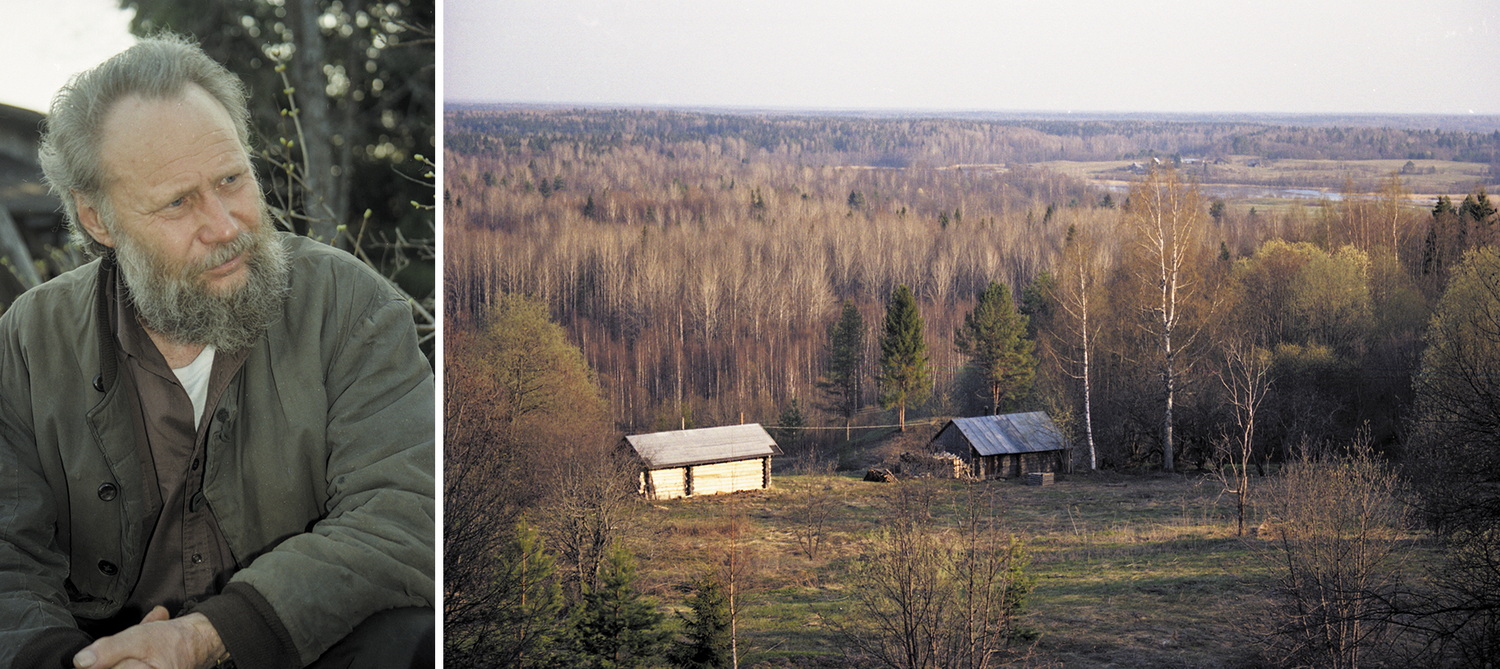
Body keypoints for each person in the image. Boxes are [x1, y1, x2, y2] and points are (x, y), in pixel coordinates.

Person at [0, 34, 435, 668]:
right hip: (97, 654)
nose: (226, 225)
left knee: (412, 639)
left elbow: (404, 512)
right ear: (99, 220)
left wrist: (208, 635)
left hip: (294, 650)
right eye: (178, 202)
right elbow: (7, 553)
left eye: (232, 179)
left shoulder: (349, 307)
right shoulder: (29, 343)